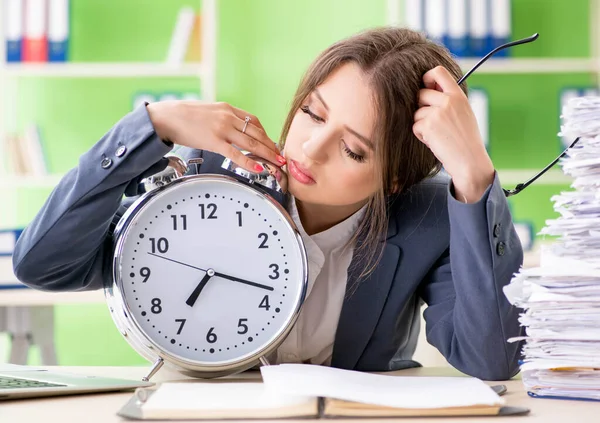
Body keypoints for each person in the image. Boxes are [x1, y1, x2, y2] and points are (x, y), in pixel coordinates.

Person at [12, 27, 523, 380]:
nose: (308, 148)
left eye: (352, 149)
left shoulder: (429, 217)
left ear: (393, 180)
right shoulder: (205, 179)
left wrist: (475, 176)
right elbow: (44, 265)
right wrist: (151, 125)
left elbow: (490, 359)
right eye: (311, 113)